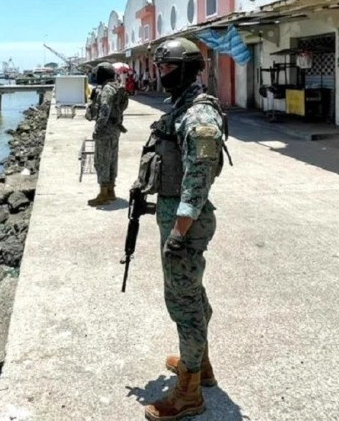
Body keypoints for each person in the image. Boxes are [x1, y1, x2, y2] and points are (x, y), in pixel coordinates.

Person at [134, 37, 228, 420]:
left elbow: (199, 179)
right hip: (176, 217)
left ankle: (188, 393)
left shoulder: (198, 117)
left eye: (170, 68)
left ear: (189, 69)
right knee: (190, 294)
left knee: (183, 303)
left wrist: (179, 230)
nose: (164, 74)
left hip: (184, 225)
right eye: (161, 67)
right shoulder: (181, 107)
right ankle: (199, 364)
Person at [86, 62, 127, 207]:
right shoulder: (116, 87)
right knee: (112, 161)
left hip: (105, 131)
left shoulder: (107, 90)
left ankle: (103, 194)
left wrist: (98, 128)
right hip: (115, 129)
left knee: (102, 161)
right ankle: (111, 190)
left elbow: (104, 109)